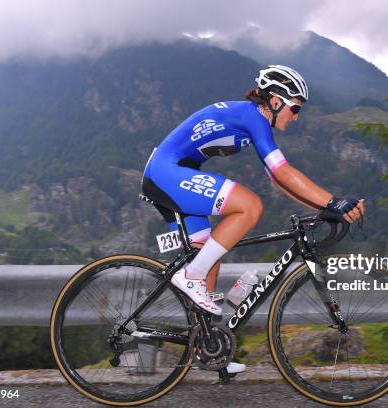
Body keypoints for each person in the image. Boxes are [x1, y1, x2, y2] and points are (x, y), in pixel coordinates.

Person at [142, 65, 365, 373]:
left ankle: (209, 352)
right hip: (166, 172)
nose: (296, 116)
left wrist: (324, 209)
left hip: (173, 173)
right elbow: (282, 171)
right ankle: (190, 276)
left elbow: (279, 181)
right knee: (249, 206)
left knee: (208, 256)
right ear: (275, 102)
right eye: (295, 108)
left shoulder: (252, 119)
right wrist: (333, 200)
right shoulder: (254, 118)